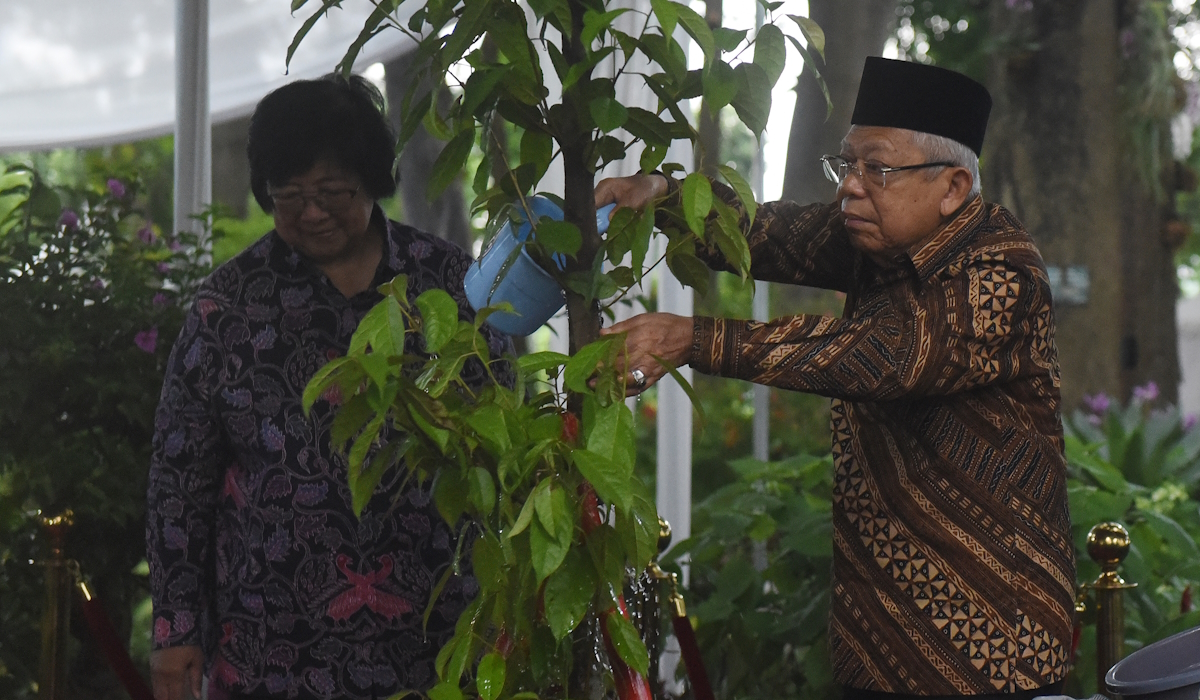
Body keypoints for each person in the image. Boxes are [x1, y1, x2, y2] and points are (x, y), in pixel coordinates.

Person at [595, 57, 1075, 700]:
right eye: (846, 165)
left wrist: (695, 338)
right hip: (877, 644)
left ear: (953, 187)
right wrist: (662, 198)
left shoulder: (1002, 271)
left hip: (986, 655)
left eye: (876, 169)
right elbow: (763, 233)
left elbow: (887, 357)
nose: (850, 186)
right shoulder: (876, 239)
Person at [146, 74, 512, 700]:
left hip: (437, 649)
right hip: (269, 653)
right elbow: (179, 481)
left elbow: (503, 444)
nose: (311, 213)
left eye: (332, 192)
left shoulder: (451, 285)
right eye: (288, 197)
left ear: (372, 178)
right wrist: (175, 629)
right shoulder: (228, 308)